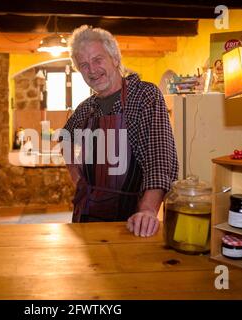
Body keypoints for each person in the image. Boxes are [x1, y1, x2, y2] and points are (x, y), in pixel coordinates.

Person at [61, 25, 178, 237]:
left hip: (131, 217)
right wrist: (76, 178)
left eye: (98, 60)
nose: (92, 70)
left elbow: (159, 159)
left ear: (115, 59)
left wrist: (148, 210)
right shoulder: (86, 107)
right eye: (84, 65)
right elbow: (66, 136)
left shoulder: (145, 96)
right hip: (87, 214)